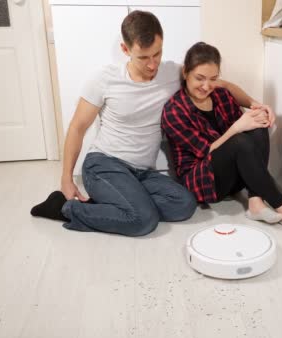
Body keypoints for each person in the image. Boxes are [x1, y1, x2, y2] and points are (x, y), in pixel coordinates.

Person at [30, 11, 257, 237]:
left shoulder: (171, 72)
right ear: (125, 50)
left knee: (185, 204)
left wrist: (254, 104)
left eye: (157, 54)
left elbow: (220, 85)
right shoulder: (104, 79)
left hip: (142, 173)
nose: (152, 64)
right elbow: (77, 127)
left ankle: (122, 205)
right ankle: (65, 208)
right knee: (143, 221)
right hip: (104, 165)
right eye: (143, 57)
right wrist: (66, 178)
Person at [161, 42, 282, 238]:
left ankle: (255, 201)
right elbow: (208, 151)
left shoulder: (221, 95)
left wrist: (259, 109)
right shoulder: (174, 110)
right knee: (239, 141)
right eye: (200, 78)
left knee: (257, 123)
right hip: (202, 182)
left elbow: (245, 125)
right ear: (185, 72)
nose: (206, 86)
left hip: (234, 178)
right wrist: (236, 127)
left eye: (213, 79)